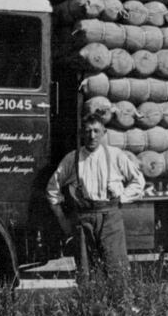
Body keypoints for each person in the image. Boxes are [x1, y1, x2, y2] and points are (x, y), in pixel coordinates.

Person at [46, 114, 145, 280]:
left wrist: (121, 198)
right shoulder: (72, 159)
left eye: (96, 131)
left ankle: (119, 304)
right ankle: (90, 304)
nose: (92, 136)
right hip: (83, 220)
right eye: (88, 131)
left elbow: (138, 181)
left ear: (103, 132)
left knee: (117, 269)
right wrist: (63, 220)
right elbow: (52, 190)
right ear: (81, 134)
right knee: (87, 273)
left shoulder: (116, 155)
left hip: (110, 218)